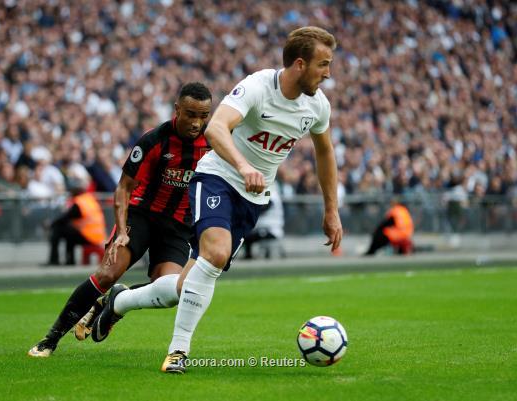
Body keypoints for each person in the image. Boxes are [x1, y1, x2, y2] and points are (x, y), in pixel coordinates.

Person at [92, 27, 343, 374]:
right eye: (323, 64)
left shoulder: (317, 106)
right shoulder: (258, 86)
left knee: (185, 287)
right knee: (216, 253)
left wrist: (331, 210)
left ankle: (120, 301)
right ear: (300, 64)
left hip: (252, 200)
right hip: (217, 179)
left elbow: (325, 153)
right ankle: (178, 351)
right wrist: (243, 166)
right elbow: (216, 128)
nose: (328, 73)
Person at [27, 82, 212, 357]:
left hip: (177, 226)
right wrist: (123, 231)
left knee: (174, 289)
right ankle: (50, 340)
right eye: (190, 114)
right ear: (177, 109)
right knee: (107, 274)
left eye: (203, 116)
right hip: (141, 217)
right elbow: (123, 188)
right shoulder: (154, 140)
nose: (197, 122)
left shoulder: (214, 142)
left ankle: (115, 302)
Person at [42, 177, 106, 266]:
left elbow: (65, 217)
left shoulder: (79, 203)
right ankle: (70, 260)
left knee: (58, 229)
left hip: (89, 236)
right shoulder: (89, 199)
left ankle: (54, 260)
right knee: (69, 232)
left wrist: (51, 224)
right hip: (98, 236)